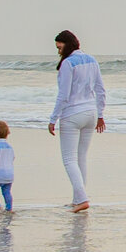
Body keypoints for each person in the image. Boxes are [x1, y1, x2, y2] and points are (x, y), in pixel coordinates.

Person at [46, 28, 107, 211]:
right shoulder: (92, 60)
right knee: (81, 158)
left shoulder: (68, 64)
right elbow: (101, 90)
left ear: (68, 44)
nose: (58, 51)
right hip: (90, 113)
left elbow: (63, 95)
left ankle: (81, 199)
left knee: (69, 159)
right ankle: (77, 198)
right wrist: (101, 114)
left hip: (72, 114)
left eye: (59, 47)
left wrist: (53, 119)